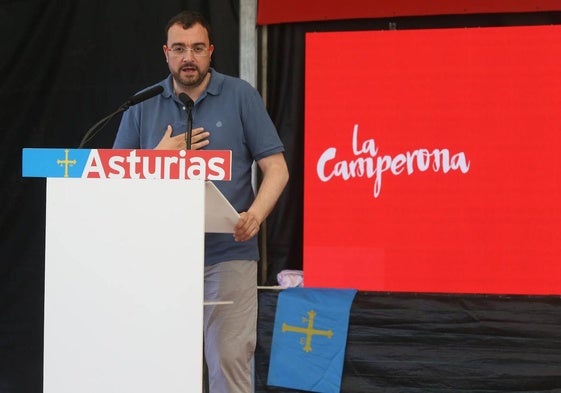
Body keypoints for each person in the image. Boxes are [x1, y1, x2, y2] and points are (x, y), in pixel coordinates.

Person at [113, 10, 289, 393]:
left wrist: (255, 215)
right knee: (162, 364)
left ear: (210, 51)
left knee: (228, 361)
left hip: (228, 253)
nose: (187, 57)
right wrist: (155, 158)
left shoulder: (241, 95)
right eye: (179, 48)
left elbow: (277, 168)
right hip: (159, 257)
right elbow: (115, 181)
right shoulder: (142, 105)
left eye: (196, 48)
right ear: (166, 53)